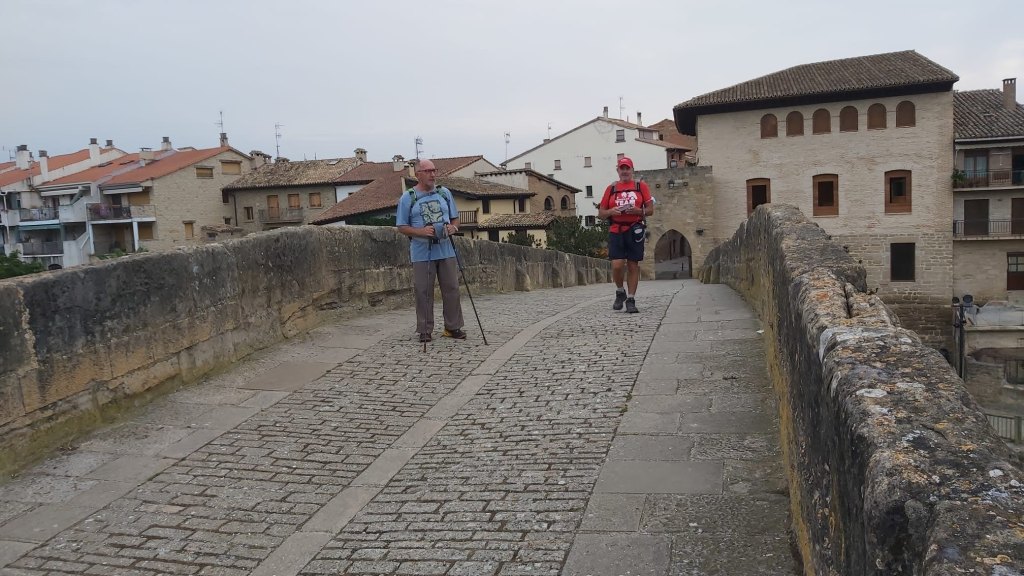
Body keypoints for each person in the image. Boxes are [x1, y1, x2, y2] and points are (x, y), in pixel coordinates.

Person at [396, 159, 467, 342]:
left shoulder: (444, 193)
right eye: (427, 171)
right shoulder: (408, 197)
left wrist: (454, 228)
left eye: (434, 171)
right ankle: (425, 329)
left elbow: (455, 219)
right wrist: (420, 231)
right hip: (421, 251)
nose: (432, 174)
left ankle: (453, 327)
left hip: (446, 249)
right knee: (423, 290)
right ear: (418, 174)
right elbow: (402, 226)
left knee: (452, 289)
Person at [597, 156, 654, 313]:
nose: (624, 171)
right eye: (622, 168)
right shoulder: (611, 189)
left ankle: (631, 299)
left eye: (627, 168)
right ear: (618, 170)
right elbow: (601, 213)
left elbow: (650, 210)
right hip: (616, 230)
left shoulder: (640, 186)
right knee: (616, 265)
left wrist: (638, 211)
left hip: (635, 229)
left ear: (632, 170)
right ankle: (620, 291)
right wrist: (610, 211)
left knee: (632, 265)